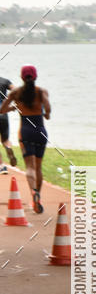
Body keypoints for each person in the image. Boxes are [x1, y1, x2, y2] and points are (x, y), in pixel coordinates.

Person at [0, 66, 50, 212]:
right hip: (41, 130)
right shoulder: (41, 91)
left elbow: (2, 110)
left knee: (30, 167)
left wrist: (14, 108)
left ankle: (32, 191)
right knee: (38, 166)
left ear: (22, 77)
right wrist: (45, 114)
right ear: (35, 77)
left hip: (25, 131)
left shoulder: (16, 92)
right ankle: (38, 195)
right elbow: (48, 110)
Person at [0, 76, 17, 171]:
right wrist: (13, 105)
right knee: (5, 139)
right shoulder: (5, 81)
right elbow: (17, 91)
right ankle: (8, 147)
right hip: (3, 113)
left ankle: (1, 166)